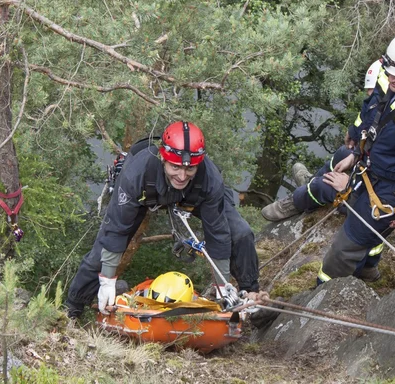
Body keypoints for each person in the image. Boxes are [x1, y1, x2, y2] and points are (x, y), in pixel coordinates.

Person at [269, 30, 395, 283]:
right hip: (373, 166)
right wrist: (357, 147)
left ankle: (323, 290)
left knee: (343, 249)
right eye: (390, 72)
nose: (391, 79)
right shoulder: (394, 78)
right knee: (339, 169)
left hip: (392, 190)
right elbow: (374, 111)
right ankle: (367, 267)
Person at [65, 121, 260, 318]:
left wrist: (222, 286)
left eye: (189, 168)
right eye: (175, 167)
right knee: (101, 252)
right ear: (163, 159)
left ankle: (250, 297)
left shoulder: (209, 179)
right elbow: (116, 230)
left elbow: (218, 234)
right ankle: (72, 309)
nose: (182, 176)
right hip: (146, 193)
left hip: (195, 196)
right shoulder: (137, 173)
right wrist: (107, 279)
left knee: (241, 233)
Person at [261, 58, 387, 222]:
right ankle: (310, 182)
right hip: (376, 167)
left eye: (373, 93)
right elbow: (369, 119)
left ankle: (297, 201)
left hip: (379, 193)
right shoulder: (387, 105)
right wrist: (355, 148)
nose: (369, 96)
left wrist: (349, 183)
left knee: (323, 186)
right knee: (344, 152)